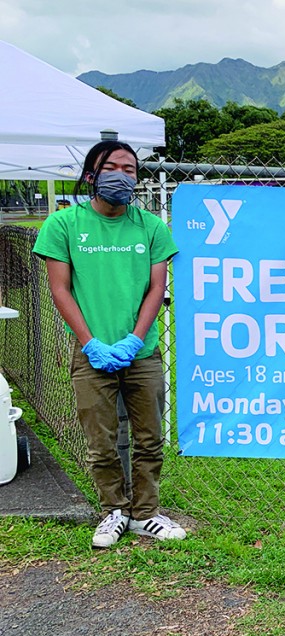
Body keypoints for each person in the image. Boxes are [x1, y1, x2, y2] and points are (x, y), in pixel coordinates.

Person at [32, 140, 185, 549]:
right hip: (90, 352)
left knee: (149, 437)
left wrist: (136, 339)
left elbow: (156, 288)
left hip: (143, 352)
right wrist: (91, 343)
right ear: (90, 176)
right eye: (112, 167)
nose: (122, 175)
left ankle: (146, 513)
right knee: (100, 440)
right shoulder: (63, 225)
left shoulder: (151, 226)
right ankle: (114, 511)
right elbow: (60, 291)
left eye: (131, 169)